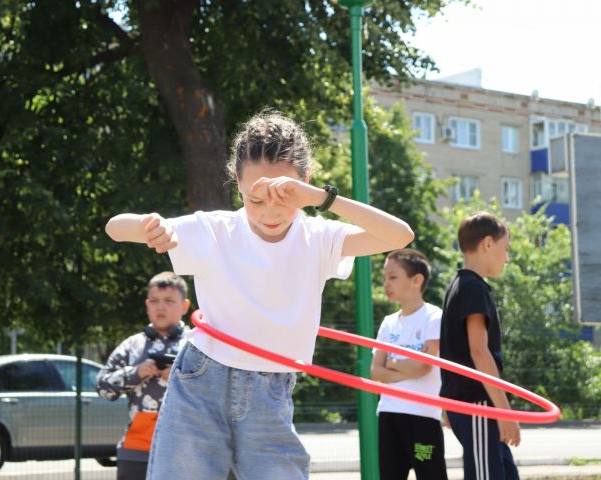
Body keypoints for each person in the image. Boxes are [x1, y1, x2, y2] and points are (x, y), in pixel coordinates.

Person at [104, 111, 414, 480]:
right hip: (202, 379)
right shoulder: (216, 230)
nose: (270, 212)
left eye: (285, 197)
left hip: (272, 387)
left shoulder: (319, 237)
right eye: (256, 199)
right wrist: (148, 225)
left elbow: (400, 236)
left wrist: (322, 199)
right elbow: (114, 228)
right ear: (237, 183)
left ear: (306, 183)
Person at [439, 211, 520, 480]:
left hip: (467, 401)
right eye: (505, 248)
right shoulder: (473, 288)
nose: (507, 258)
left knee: (506, 474)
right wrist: (504, 411)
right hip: (478, 403)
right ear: (488, 244)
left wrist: (446, 397)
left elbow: (451, 350)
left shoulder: (458, 286)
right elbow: (478, 352)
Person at [95, 271, 191, 480]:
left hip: (189, 445)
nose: (161, 307)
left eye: (169, 301)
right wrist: (136, 372)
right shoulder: (132, 345)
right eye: (154, 301)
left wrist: (180, 378)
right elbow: (102, 387)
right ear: (147, 305)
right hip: (138, 446)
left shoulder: (198, 345)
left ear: (184, 306)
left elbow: (220, 390)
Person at [370, 248, 448, 480]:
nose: (386, 283)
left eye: (393, 277)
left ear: (416, 280)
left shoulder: (433, 317)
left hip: (423, 418)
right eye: (385, 278)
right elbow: (375, 371)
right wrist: (407, 365)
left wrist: (391, 363)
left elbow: (424, 367)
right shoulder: (388, 323)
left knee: (431, 475)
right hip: (389, 415)